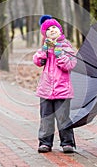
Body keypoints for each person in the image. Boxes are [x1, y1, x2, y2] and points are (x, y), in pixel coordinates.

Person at [33, 15, 77, 153]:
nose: (52, 30)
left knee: (63, 117)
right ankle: (45, 142)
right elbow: (37, 61)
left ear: (60, 31)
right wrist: (44, 52)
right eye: (48, 29)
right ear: (44, 33)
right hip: (46, 89)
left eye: (54, 27)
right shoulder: (45, 47)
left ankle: (67, 143)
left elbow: (71, 65)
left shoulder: (66, 47)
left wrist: (60, 55)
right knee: (46, 117)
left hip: (62, 89)